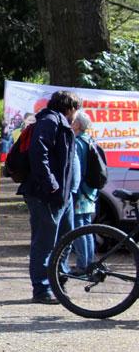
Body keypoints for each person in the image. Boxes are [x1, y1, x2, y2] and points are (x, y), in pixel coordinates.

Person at [19, 90, 80, 304]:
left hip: (62, 196)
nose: (76, 114)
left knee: (67, 239)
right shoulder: (50, 121)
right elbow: (39, 153)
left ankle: (57, 282)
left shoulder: (60, 122)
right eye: (75, 109)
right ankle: (42, 289)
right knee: (44, 244)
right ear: (69, 107)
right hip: (45, 194)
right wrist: (51, 185)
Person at [70, 110, 99, 274]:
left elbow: (77, 171)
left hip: (80, 192)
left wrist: (73, 191)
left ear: (78, 124)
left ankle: (83, 265)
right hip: (90, 192)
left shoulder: (78, 143)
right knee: (87, 228)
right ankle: (89, 263)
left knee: (78, 228)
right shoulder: (90, 140)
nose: (71, 123)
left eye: (73, 121)